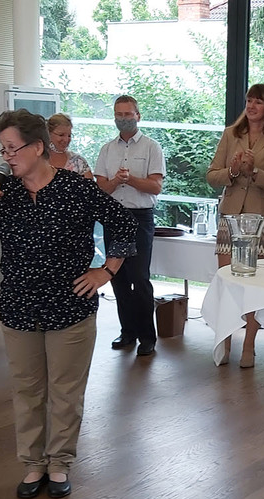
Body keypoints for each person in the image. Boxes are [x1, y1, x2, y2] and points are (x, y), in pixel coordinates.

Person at [0, 110, 137, 499]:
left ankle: (59, 463)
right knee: (26, 390)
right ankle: (32, 464)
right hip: (19, 306)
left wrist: (106, 271)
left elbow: (124, 223)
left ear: (38, 147)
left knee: (65, 391)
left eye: (13, 148)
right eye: (3, 149)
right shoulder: (4, 192)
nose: (7, 157)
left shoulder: (75, 188)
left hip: (69, 306)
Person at [206, 83, 264, 368]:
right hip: (231, 216)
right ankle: (224, 340)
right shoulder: (231, 134)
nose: (251, 106)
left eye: (258, 102)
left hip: (263, 218)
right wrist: (232, 170)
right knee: (227, 281)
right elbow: (212, 175)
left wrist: (254, 171)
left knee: (254, 285)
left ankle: (249, 344)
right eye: (249, 101)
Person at [94, 95, 166, 357]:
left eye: (128, 114)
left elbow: (156, 186)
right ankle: (127, 332)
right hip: (113, 217)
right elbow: (101, 188)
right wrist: (116, 180)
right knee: (118, 278)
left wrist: (131, 179)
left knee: (139, 278)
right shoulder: (107, 149)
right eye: (118, 114)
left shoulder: (151, 147)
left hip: (140, 217)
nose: (123, 119)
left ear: (138, 116)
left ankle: (147, 336)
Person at [47, 113, 93, 178]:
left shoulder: (78, 162)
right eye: (61, 135)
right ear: (48, 134)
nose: (66, 140)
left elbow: (90, 183)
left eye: (69, 136)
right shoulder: (37, 160)